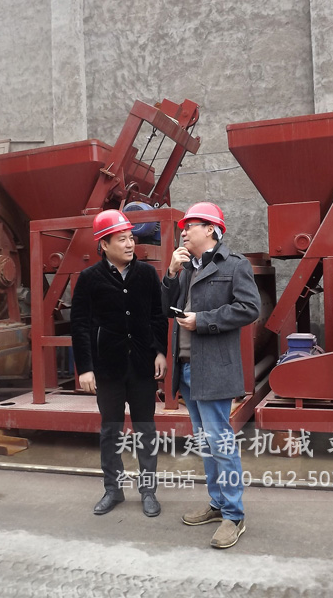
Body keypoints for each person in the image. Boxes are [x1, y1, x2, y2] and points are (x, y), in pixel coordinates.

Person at [161, 202, 261, 549]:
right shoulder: (186, 267)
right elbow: (165, 309)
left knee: (220, 442)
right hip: (186, 366)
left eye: (190, 226)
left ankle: (234, 515)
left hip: (214, 368)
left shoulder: (234, 265)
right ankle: (218, 504)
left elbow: (249, 308)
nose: (184, 232)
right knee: (206, 443)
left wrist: (203, 320)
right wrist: (171, 273)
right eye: (183, 227)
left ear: (211, 229)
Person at [71, 209, 168, 517]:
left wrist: (160, 352)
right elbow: (80, 325)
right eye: (121, 239)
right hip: (107, 368)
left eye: (131, 238)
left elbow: (158, 316)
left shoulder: (147, 275)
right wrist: (86, 368)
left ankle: (148, 491)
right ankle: (113, 490)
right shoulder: (89, 279)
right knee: (110, 431)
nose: (129, 244)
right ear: (104, 244)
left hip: (141, 366)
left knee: (145, 430)